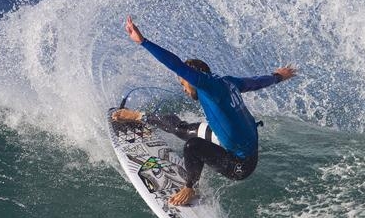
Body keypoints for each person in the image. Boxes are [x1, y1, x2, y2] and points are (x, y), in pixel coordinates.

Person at [112, 16, 296, 206]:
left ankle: (190, 187)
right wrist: (277, 77)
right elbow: (256, 82)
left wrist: (143, 41)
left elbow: (175, 63)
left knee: (193, 146)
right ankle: (139, 116)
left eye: (183, 82)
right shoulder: (227, 81)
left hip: (240, 165)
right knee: (181, 129)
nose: (184, 88)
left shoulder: (205, 84)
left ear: (193, 78)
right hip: (231, 144)